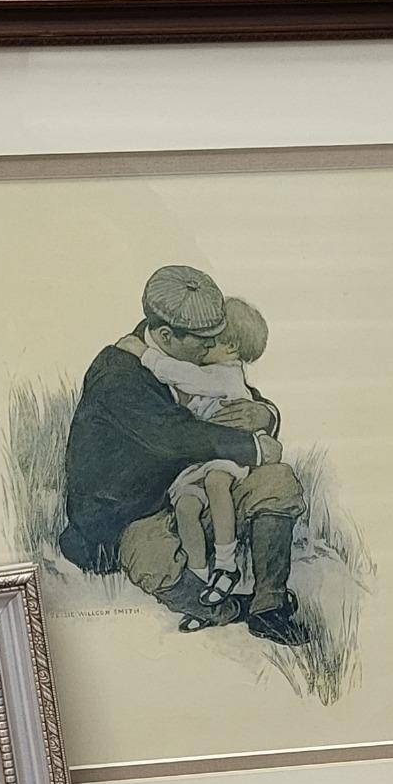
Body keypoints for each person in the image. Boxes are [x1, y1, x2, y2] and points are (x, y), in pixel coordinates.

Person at [57, 266, 310, 645]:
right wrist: (255, 448)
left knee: (278, 481)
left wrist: (265, 414)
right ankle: (229, 609)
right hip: (136, 515)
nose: (215, 348)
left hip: (197, 489)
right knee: (154, 562)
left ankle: (268, 607)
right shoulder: (118, 373)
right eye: (207, 342)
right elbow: (176, 437)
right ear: (166, 336)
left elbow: (231, 392)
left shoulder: (187, 354)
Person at [144, 296, 270, 618]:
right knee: (186, 507)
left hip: (228, 455)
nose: (202, 346)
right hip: (199, 461)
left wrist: (145, 355)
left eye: (209, 341)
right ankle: (200, 581)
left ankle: (226, 566)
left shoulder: (224, 374)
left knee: (216, 482)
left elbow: (182, 376)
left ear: (229, 347)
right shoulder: (211, 368)